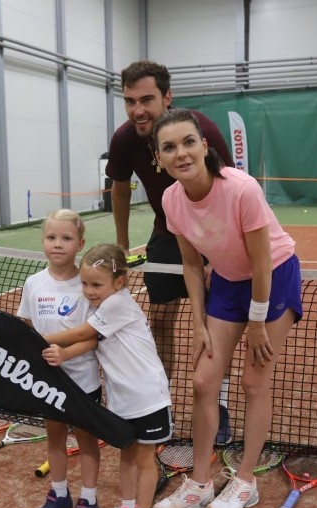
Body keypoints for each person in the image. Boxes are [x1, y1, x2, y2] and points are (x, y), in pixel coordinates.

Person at [150, 109, 302, 508]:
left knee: (254, 381)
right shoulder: (170, 200)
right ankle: (199, 484)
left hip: (273, 277)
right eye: (169, 147)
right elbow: (192, 265)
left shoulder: (241, 189)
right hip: (228, 283)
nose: (180, 153)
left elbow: (263, 261)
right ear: (158, 158)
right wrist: (199, 323)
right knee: (203, 380)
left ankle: (246, 482)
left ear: (203, 146)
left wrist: (256, 322)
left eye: (187, 142)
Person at [106, 59, 235, 443]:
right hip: (167, 232)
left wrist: (220, 254)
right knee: (160, 319)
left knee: (216, 326)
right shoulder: (125, 138)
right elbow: (119, 188)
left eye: (146, 99)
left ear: (167, 97)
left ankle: (220, 404)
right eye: (130, 101)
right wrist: (122, 246)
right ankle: (158, 403)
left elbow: (228, 187)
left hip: (212, 235)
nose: (137, 110)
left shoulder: (200, 130)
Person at [42, 243, 172, 508]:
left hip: (147, 395)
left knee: (143, 458)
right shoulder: (102, 305)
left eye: (96, 284)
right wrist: (63, 355)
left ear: (119, 283)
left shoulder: (117, 304)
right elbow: (90, 342)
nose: (88, 290)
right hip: (123, 399)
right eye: (85, 283)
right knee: (126, 455)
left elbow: (79, 333)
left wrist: (38, 340)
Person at [17, 209, 102, 508]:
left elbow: (94, 335)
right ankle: (60, 495)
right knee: (55, 437)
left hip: (83, 380)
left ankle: (89, 500)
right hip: (46, 382)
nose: (58, 244)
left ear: (80, 243)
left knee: (85, 440)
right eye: (51, 237)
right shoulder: (33, 283)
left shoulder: (88, 286)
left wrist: (65, 353)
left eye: (66, 238)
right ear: (43, 241)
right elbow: (25, 329)